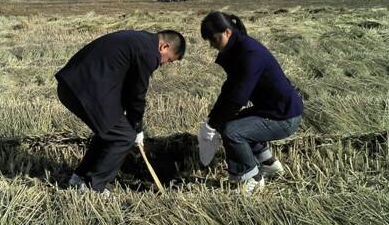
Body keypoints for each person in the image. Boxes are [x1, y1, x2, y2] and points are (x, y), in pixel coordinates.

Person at [56, 29, 186, 194]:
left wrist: (125, 113)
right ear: (164, 46)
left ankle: (79, 178)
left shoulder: (140, 41)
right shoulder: (149, 52)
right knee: (124, 136)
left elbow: (125, 81)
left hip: (73, 84)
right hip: (86, 89)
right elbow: (137, 93)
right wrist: (137, 128)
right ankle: (93, 187)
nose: (163, 64)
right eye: (168, 60)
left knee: (110, 131)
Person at [198, 11, 303, 195]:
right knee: (228, 125)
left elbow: (238, 98)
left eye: (214, 39)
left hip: (284, 116)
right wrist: (212, 120)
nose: (212, 45)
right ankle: (269, 165)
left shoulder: (249, 53)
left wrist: (214, 124)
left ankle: (252, 178)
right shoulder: (238, 49)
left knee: (233, 132)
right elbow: (228, 91)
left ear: (227, 33)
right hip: (272, 110)